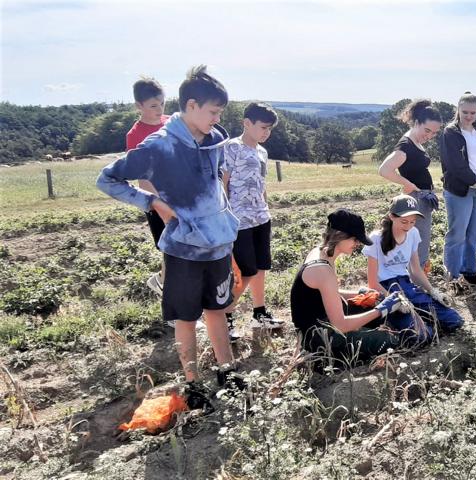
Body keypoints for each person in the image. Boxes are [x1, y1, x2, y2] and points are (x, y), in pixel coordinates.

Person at [96, 65, 243, 409]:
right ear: (190, 106)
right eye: (212, 112)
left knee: (218, 310)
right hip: (184, 251)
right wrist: (151, 202)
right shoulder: (158, 147)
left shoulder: (214, 141)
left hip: (217, 245)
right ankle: (193, 384)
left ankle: (227, 370)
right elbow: (108, 180)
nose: (216, 119)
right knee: (186, 318)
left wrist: (228, 237)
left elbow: (217, 191)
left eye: (220, 112)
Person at [290, 209, 407, 372]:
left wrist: (361, 294)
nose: (358, 244)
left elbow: (328, 294)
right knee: (392, 341)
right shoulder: (323, 270)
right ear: (339, 235)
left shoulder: (320, 253)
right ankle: (327, 362)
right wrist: (381, 309)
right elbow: (341, 324)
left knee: (377, 316)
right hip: (321, 340)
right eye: (355, 239)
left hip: (320, 324)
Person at [222, 102, 284, 339]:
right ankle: (226, 319)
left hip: (260, 217)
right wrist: (224, 216)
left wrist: (266, 207)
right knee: (244, 272)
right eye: (263, 127)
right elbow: (223, 183)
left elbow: (261, 183)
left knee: (260, 268)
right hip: (238, 221)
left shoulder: (262, 152)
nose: (266, 133)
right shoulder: (231, 148)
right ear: (246, 123)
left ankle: (260, 313)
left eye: (270, 129)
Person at [364, 195, 464, 339]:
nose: (409, 226)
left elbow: (415, 270)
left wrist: (432, 291)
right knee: (422, 335)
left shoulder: (413, 233)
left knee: (454, 320)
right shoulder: (376, 238)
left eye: (413, 221)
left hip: (406, 285)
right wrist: (395, 301)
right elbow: (372, 283)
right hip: (386, 289)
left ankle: (420, 316)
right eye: (404, 221)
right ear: (392, 216)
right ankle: (393, 321)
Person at [378, 99, 443, 270]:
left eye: (434, 133)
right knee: (418, 242)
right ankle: (415, 280)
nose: (429, 136)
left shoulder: (416, 142)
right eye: (427, 130)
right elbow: (384, 170)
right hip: (417, 199)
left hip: (422, 198)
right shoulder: (406, 146)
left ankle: (415, 277)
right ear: (416, 123)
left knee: (418, 240)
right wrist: (408, 184)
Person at [438, 92, 476, 286]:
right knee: (457, 234)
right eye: (465, 112)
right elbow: (455, 165)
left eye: (473, 112)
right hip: (460, 189)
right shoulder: (451, 133)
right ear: (458, 110)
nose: (469, 116)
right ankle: (452, 276)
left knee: (474, 234)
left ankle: (469, 271)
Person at [126, 76, 171, 298]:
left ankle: (161, 281)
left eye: (162, 103)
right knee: (170, 252)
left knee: (180, 252)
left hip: (182, 198)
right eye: (154, 105)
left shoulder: (172, 123)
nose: (159, 109)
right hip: (157, 202)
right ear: (138, 106)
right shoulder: (135, 135)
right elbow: (142, 177)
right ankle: (174, 310)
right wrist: (157, 205)